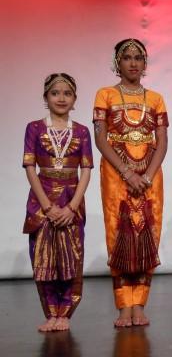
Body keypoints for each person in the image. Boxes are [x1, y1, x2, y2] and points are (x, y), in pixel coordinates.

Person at [93, 39, 168, 327]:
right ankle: (124, 305)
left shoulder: (156, 98)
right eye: (127, 58)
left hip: (150, 174)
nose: (133, 63)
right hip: (116, 174)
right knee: (118, 233)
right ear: (117, 63)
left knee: (149, 232)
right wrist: (127, 173)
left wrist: (147, 175)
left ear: (145, 63)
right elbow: (101, 138)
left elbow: (162, 141)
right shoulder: (105, 95)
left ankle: (140, 304)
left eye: (139, 58)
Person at [23, 73, 93, 331]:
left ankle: (65, 312)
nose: (61, 98)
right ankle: (50, 311)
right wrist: (48, 207)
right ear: (45, 97)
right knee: (43, 257)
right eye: (55, 93)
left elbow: (86, 171)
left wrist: (72, 207)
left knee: (71, 256)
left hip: (71, 199)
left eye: (67, 93)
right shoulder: (35, 128)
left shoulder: (82, 131)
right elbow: (30, 168)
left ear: (74, 98)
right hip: (42, 200)